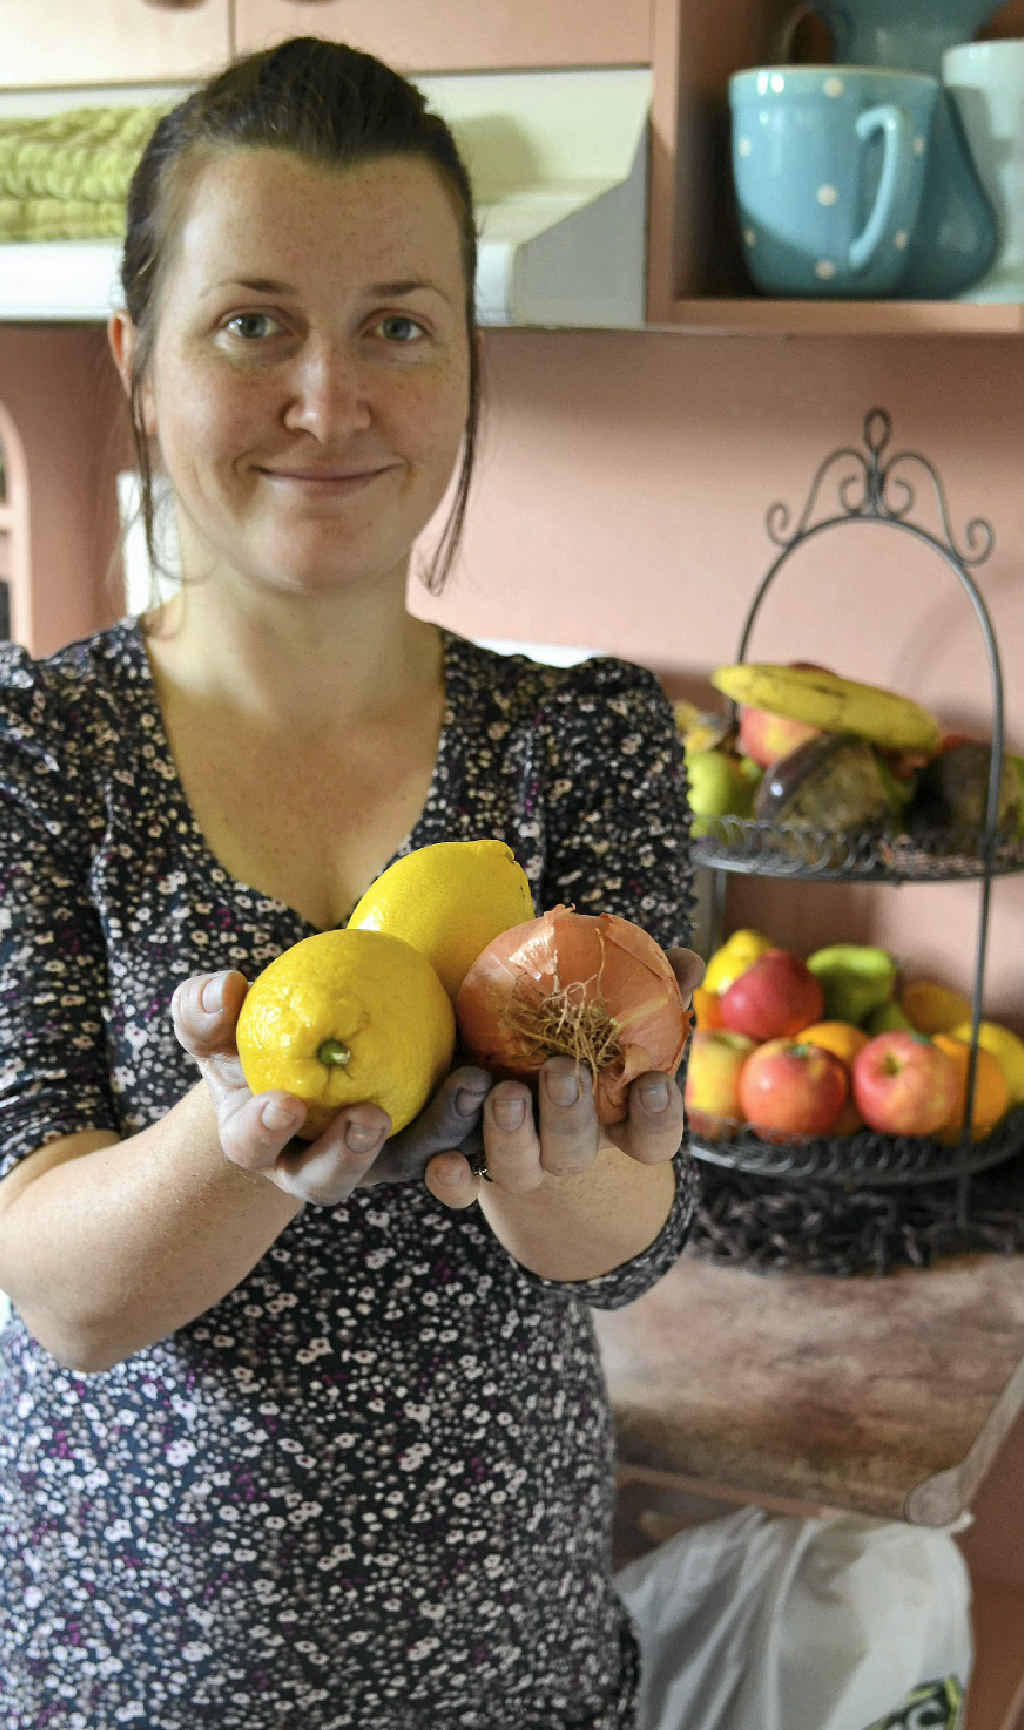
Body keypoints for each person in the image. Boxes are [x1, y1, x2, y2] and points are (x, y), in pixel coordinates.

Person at [0, 37, 701, 1730]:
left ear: (466, 365)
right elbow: (64, 1291)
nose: (332, 397)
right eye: (253, 324)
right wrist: (246, 1128)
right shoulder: (37, 752)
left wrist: (568, 1184)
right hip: (124, 1681)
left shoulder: (582, 742)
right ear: (139, 365)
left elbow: (627, 1241)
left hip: (504, 1675)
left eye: (398, 322)